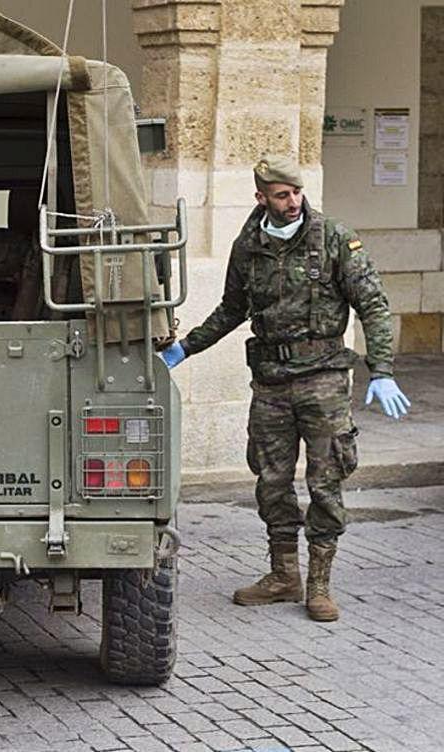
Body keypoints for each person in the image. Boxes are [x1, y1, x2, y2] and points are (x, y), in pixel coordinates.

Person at [160, 154, 410, 622]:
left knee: (326, 481)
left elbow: (373, 305)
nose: (293, 201)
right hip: (271, 384)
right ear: (262, 198)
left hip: (324, 381)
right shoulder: (249, 244)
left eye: (296, 192)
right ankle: (283, 575)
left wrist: (382, 369)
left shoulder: (333, 237)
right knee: (272, 482)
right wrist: (185, 348)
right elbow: (232, 308)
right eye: (282, 195)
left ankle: (319, 586)